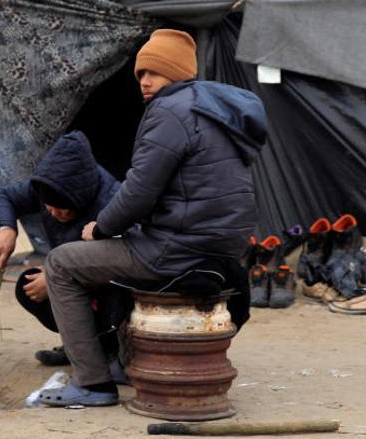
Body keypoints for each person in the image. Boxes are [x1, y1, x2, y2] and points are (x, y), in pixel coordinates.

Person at [37, 29, 267, 407]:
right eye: (141, 74)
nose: (144, 81)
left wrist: (102, 228)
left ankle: (92, 383)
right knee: (109, 254)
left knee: (61, 263)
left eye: (154, 73)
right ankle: (124, 359)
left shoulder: (170, 111)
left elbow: (140, 191)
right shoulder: (216, 111)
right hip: (224, 248)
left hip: (178, 249)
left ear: (176, 73)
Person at [0, 130, 120, 365]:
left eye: (61, 208)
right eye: (48, 207)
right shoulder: (47, 187)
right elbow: (3, 196)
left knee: (116, 295)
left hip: (110, 283)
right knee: (29, 286)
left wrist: (57, 278)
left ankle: (111, 350)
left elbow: (118, 259)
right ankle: (81, 345)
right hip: (70, 273)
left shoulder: (112, 200)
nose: (52, 212)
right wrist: (7, 228)